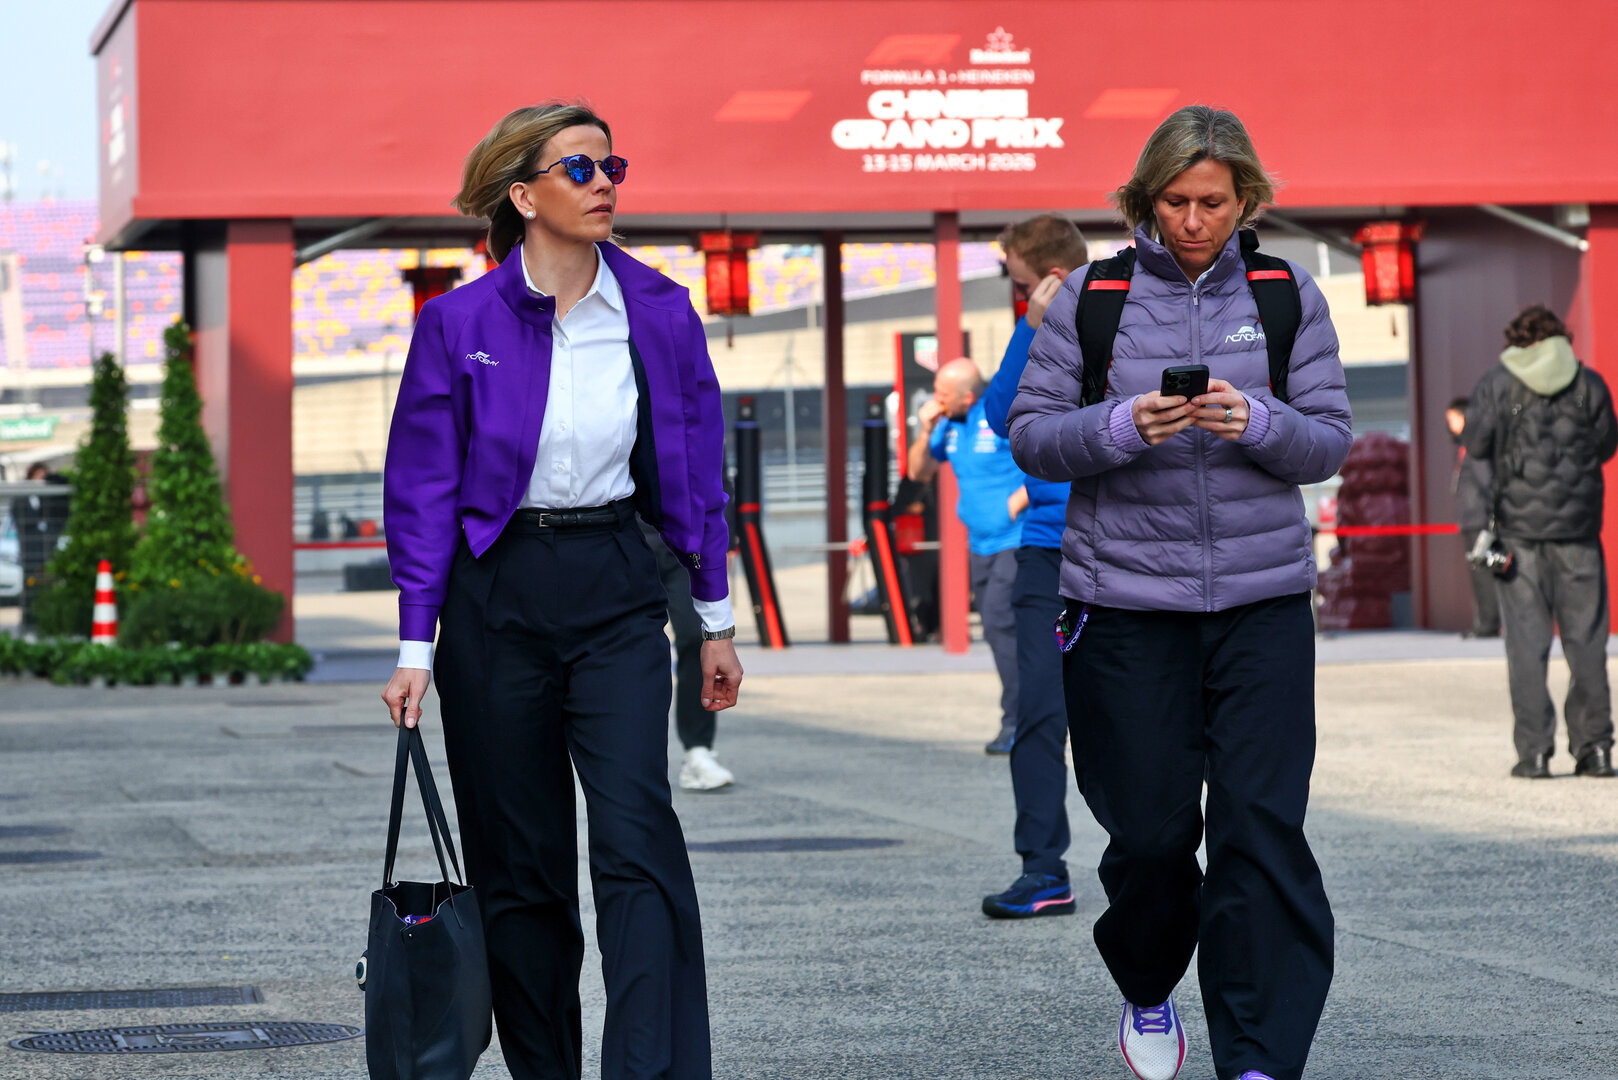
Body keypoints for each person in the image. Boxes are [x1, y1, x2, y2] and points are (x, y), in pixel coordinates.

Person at [380, 101, 741, 1080]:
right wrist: (417, 645)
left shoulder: (659, 311)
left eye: (610, 165)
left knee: (637, 842)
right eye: (578, 169)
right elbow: (420, 490)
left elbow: (697, 476)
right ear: (521, 192)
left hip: (618, 593)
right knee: (521, 869)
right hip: (496, 603)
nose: (604, 184)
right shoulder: (456, 324)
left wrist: (713, 620)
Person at [1009, 105, 1351, 1080]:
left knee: (1259, 832)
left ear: (1246, 198)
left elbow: (1327, 441)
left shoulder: (1289, 296)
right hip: (1123, 610)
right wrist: (1120, 425)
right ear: (1144, 200)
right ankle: (1150, 982)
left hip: (1261, 607)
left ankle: (1257, 1057)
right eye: (1176, 201)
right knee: (1153, 838)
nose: (1194, 219)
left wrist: (1255, 420)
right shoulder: (1089, 295)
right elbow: (1031, 433)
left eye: (1214, 201)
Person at [976, 214, 1088, 919]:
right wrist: (1033, 327)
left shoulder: (1116, 315)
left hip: (1120, 551)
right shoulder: (1041, 328)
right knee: (1039, 720)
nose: (1010, 286)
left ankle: (1155, 864)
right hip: (1046, 553)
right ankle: (1044, 869)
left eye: (1013, 273)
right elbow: (999, 413)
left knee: (1135, 723)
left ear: (1039, 269)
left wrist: (1038, 325)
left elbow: (1002, 411)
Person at [1465, 304, 1617, 779]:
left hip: (1519, 536)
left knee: (1527, 647)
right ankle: (1596, 750)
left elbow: (1476, 445)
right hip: (1579, 534)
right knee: (1587, 643)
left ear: (1517, 341)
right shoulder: (1588, 383)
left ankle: (1533, 754)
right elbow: (1608, 445)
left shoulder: (1497, 381)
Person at [908, 358, 1028, 755]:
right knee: (999, 630)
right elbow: (918, 472)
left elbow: (1044, 459)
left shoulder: (997, 415)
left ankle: (1016, 722)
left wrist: (1017, 501)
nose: (935, 400)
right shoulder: (946, 424)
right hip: (979, 544)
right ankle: (1026, 715)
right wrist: (924, 430)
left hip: (1015, 538)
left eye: (943, 394)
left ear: (968, 396)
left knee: (998, 624)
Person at [640, 517, 736, 790]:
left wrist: (728, 533)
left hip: (685, 541)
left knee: (698, 637)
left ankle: (698, 750)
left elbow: (716, 478)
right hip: (627, 537)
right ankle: (634, 752)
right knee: (636, 649)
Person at [1447, 396, 1500, 638]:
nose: (1450, 424)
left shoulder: (1475, 447)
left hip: (1479, 520)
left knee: (1484, 573)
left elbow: (1486, 481)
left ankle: (1488, 625)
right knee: (1479, 572)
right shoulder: (1465, 445)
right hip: (1471, 519)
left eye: (1453, 419)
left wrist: (1492, 516)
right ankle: (1486, 622)